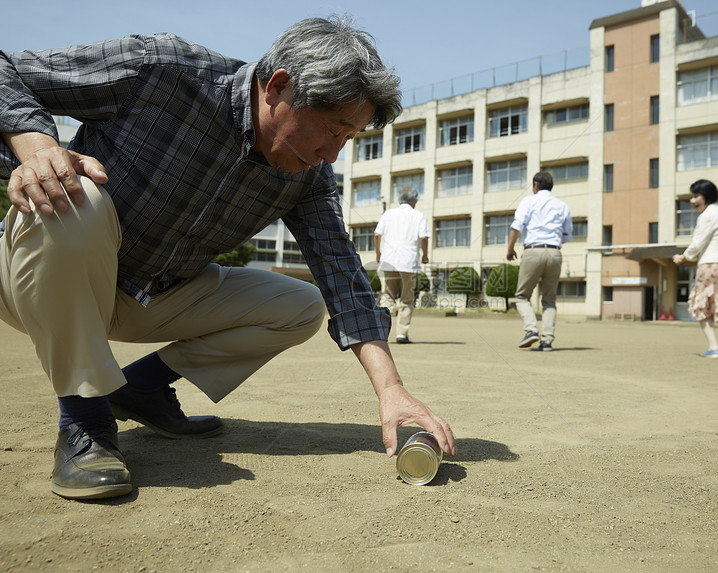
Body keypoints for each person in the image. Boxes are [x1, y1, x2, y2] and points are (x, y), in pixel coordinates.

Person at [0, 16, 455, 501]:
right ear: (279, 87)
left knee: (299, 307)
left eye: (348, 139)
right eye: (331, 130)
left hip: (149, 295)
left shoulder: (308, 177)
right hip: (43, 279)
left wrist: (391, 391)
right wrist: (38, 148)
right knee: (76, 199)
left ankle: (141, 389)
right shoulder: (163, 71)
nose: (331, 155)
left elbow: (342, 275)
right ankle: (84, 421)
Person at [673, 179, 718, 358]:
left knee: (700, 305)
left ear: (707, 197)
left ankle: (713, 348)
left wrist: (684, 257)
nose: (692, 201)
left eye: (696, 196)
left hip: (710, 263)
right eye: (691, 197)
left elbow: (698, 242)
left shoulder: (707, 215)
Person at [506, 171, 573, 351]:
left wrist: (510, 248)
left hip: (533, 251)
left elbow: (516, 226)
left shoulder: (529, 201)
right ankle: (547, 340)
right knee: (549, 300)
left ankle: (531, 330)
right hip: (554, 252)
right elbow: (567, 235)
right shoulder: (562, 205)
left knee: (521, 296)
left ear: (535, 185)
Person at [374, 186, 429, 344]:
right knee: (407, 298)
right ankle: (402, 334)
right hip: (409, 261)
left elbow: (377, 234)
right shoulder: (418, 215)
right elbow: (424, 237)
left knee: (388, 296)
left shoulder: (389, 213)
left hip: (389, 259)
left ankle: (381, 332)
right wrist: (425, 255)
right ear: (415, 201)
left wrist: (378, 253)